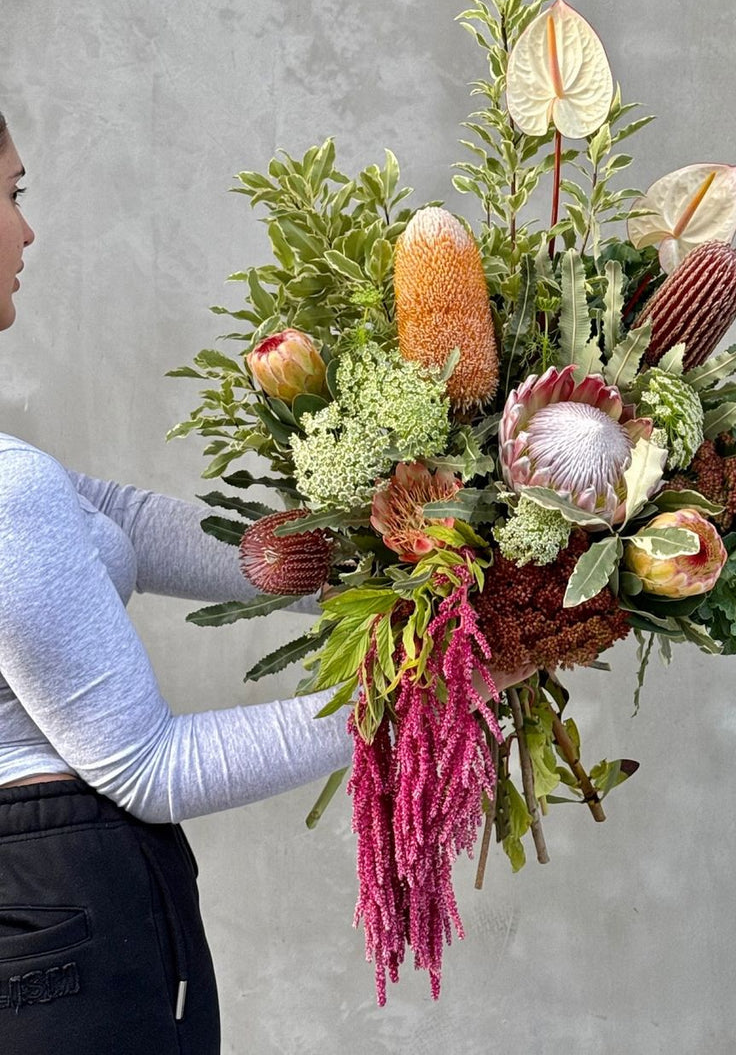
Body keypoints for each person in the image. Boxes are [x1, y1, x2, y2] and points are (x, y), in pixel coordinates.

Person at [0, 112, 528, 1053]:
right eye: (12, 194)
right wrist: (438, 687)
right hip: (59, 928)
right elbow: (147, 768)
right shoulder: (6, 489)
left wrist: (397, 552)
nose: (29, 231)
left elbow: (126, 521)